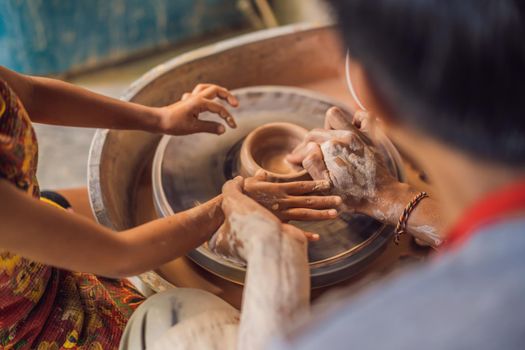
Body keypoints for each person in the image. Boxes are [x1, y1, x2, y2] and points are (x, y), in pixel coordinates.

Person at [123, 0, 525, 349]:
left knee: (165, 319)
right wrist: (392, 197)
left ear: (371, 95)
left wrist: (272, 257)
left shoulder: (363, 335)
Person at [0, 66, 341, 349]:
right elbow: (120, 255)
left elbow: (30, 94)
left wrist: (158, 118)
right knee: (181, 320)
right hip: (32, 325)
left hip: (33, 237)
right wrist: (227, 207)